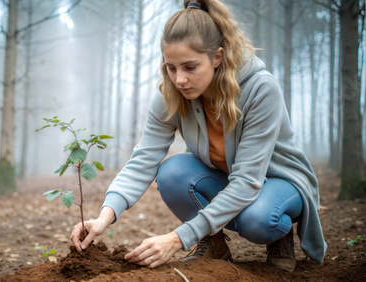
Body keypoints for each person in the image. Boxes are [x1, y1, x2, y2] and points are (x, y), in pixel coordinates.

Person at [71, 0, 327, 272]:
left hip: (277, 181)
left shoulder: (261, 90)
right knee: (171, 172)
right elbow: (143, 159)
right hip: (228, 180)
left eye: (190, 67)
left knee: (258, 219)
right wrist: (104, 216)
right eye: (171, 68)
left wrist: (177, 238)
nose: (179, 79)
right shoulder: (171, 94)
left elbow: (247, 182)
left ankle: (279, 236)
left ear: (217, 57)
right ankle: (213, 241)